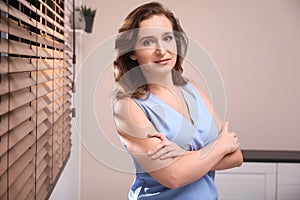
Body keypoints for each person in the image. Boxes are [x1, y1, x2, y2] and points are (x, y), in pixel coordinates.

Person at [113, 2, 243, 199]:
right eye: (148, 42)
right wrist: (221, 146)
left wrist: (182, 156)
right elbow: (173, 176)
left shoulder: (192, 90)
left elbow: (236, 157)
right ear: (132, 52)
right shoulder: (128, 108)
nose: (161, 50)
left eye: (167, 38)